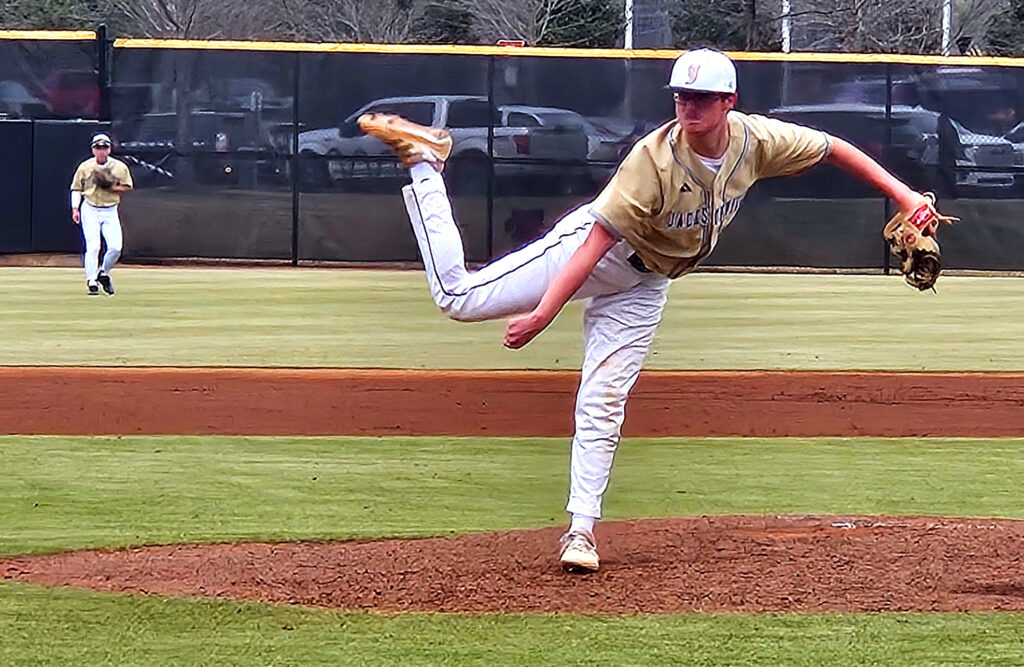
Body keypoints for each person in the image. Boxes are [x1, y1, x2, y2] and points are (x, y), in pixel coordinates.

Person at [359, 48, 934, 574]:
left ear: (728, 103)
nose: (690, 106)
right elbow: (593, 247)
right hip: (591, 251)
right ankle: (426, 164)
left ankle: (580, 532)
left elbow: (833, 147)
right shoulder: (652, 160)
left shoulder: (756, 142)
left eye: (703, 98)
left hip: (647, 283)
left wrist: (906, 196)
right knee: (459, 298)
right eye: (682, 96)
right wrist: (544, 314)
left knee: (602, 399)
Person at [70, 132, 134, 295]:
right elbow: (76, 188)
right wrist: (75, 207)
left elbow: (127, 187)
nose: (101, 151)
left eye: (104, 147)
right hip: (90, 207)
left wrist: (111, 187)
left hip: (110, 209)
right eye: (98, 147)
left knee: (115, 247)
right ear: (93, 149)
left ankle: (103, 272)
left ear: (109, 149)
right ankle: (91, 281)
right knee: (93, 246)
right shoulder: (85, 167)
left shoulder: (119, 167)